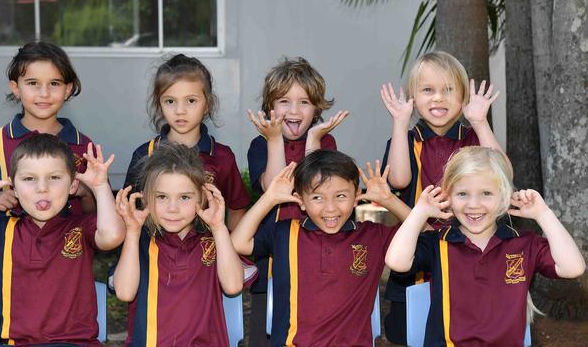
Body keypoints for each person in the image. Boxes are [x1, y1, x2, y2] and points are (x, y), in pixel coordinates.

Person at [0, 42, 95, 345]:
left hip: (66, 276)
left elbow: (96, 216)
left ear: (68, 88)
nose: (44, 93)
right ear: (15, 87)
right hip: (9, 275)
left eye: (54, 84)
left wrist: (87, 193)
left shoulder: (81, 144)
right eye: (33, 83)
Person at [385, 146, 585, 346]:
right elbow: (396, 261)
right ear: (448, 197)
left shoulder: (523, 243)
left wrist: (543, 214)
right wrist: (419, 213)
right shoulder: (438, 242)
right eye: (462, 193)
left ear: (505, 197)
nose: (473, 204)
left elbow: (573, 267)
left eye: (486, 193)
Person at [0, 134, 125, 345]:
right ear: (14, 188)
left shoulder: (81, 227)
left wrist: (100, 187)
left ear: (73, 185)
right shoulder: (1, 230)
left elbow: (112, 236)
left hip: (75, 343)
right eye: (29, 179)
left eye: (54, 178)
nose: (42, 187)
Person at [379, 50, 511, 344]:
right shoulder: (407, 138)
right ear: (413, 96)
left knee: (470, 321)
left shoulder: (472, 137)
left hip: (470, 246)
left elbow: (504, 173)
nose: (438, 98)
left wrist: (480, 122)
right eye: (428, 90)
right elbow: (398, 179)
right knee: (407, 329)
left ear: (464, 97)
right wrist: (400, 123)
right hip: (421, 245)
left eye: (448, 90)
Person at [232, 150, 411, 346]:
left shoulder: (373, 236)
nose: (330, 208)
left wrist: (389, 200)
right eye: (317, 198)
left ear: (357, 196)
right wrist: (270, 198)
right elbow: (238, 243)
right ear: (300, 200)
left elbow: (427, 236)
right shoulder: (284, 233)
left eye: (341, 196)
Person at [246, 57, 348, 345]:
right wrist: (275, 140)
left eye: (303, 102)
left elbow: (312, 188)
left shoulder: (325, 143)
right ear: (270, 107)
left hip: (315, 257)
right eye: (283, 101)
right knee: (265, 334)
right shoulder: (261, 144)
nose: (293, 110)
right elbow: (277, 188)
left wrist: (314, 140)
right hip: (272, 257)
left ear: (316, 108)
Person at [113, 142, 249, 346]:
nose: (172, 208)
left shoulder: (214, 241)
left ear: (203, 197)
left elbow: (233, 286)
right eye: (162, 197)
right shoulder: (141, 242)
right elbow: (124, 292)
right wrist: (132, 233)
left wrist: (219, 227)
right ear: (147, 199)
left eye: (184, 197)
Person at [123, 54, 249, 230]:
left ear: (207, 104)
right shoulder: (144, 154)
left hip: (208, 255)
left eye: (191, 101)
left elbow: (236, 209)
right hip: (152, 256)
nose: (180, 110)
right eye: (170, 101)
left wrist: (230, 252)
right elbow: (128, 212)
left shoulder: (222, 157)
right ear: (159, 105)